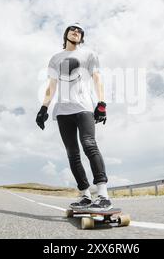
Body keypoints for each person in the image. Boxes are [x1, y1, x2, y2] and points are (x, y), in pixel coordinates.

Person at [36, 23, 112, 211]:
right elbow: (51, 85)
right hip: (62, 111)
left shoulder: (89, 55)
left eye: (79, 31)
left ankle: (102, 194)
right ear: (66, 34)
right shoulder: (55, 59)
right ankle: (85, 195)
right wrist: (43, 107)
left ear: (81, 37)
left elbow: (97, 78)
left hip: (84, 108)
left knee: (89, 144)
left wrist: (101, 103)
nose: (76, 32)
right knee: (72, 153)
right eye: (73, 29)